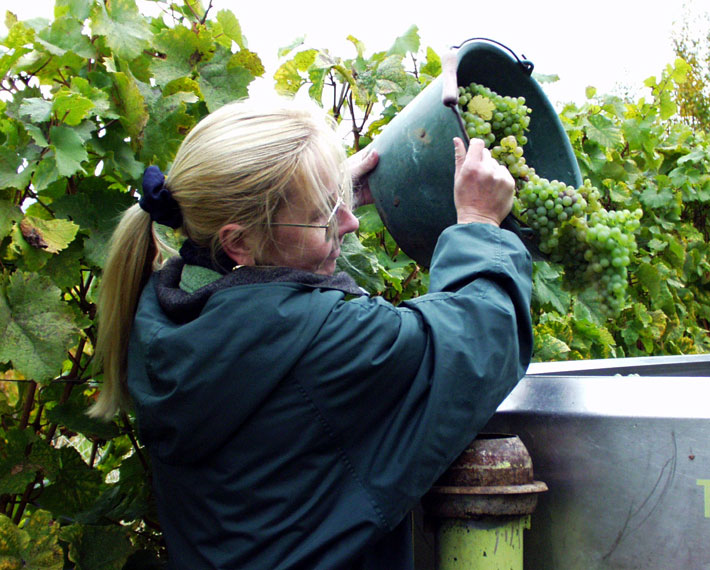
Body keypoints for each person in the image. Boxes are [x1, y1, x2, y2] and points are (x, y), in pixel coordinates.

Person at [90, 98, 533, 569]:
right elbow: (481, 335)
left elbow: (275, 294)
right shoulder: (331, 344)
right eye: (325, 215)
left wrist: (314, 197)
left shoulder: (162, 313)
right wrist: (481, 225)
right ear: (239, 242)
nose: (351, 221)